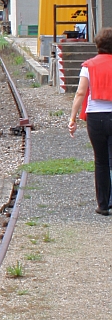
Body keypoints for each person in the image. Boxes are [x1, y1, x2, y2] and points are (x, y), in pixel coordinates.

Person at [68, 27, 112, 216]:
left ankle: (103, 205)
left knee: (101, 161)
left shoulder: (88, 66)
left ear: (97, 45)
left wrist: (73, 118)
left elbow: (80, 92)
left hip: (95, 117)